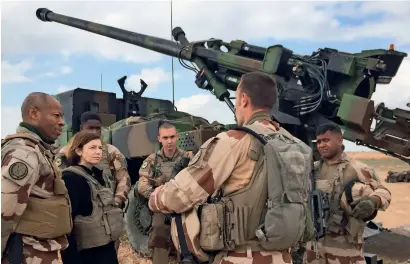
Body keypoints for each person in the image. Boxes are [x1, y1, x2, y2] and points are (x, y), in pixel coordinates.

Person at [148, 72, 310, 264]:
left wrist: (155, 198)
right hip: (283, 257)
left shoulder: (234, 140)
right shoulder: (295, 145)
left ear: (243, 99)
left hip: (241, 257)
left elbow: (180, 195)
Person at [305, 123, 392, 264]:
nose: (321, 145)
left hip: (345, 249)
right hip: (314, 248)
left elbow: (384, 191)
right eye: (319, 141)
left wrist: (372, 201)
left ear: (339, 140)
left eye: (326, 140)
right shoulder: (312, 170)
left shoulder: (357, 168)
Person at [1, 92, 72, 264]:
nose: (62, 122)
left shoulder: (37, 149)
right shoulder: (25, 153)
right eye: (56, 115)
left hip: (36, 250)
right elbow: (5, 210)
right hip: (25, 253)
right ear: (34, 113)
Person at [59, 130, 124, 264]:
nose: (98, 152)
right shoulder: (71, 178)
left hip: (105, 247)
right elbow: (66, 222)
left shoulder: (99, 175)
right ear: (78, 151)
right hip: (84, 253)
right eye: (92, 147)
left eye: (100, 148)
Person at [137, 120, 194, 264]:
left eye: (172, 137)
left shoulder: (188, 157)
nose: (169, 141)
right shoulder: (152, 160)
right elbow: (142, 184)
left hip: (184, 206)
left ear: (177, 137)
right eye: (165, 138)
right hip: (162, 207)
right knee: (159, 234)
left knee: (188, 238)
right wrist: (158, 197)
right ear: (159, 139)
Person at [55, 111, 131, 209]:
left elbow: (123, 179)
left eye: (98, 128)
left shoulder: (111, 151)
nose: (95, 132)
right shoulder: (67, 152)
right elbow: (57, 180)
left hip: (106, 205)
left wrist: (117, 201)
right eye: (90, 128)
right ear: (81, 128)